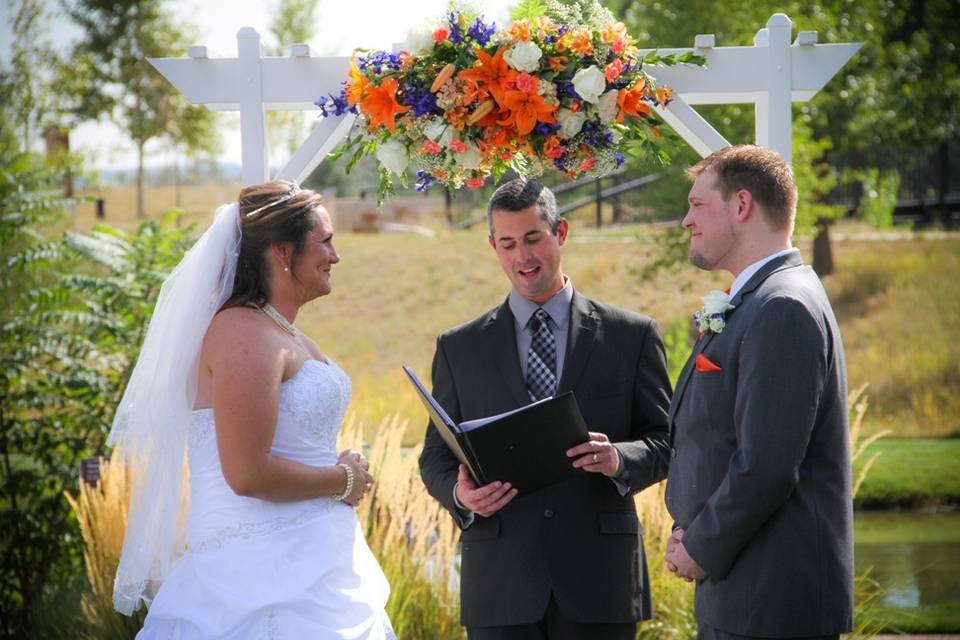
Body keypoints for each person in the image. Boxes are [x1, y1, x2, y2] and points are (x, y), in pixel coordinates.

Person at [108, 180, 395, 639]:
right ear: (283, 253)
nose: (335, 256)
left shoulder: (285, 332)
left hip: (317, 558)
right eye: (325, 241)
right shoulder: (241, 333)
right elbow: (245, 472)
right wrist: (343, 480)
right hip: (255, 572)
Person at [418, 178, 672, 639]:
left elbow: (667, 441)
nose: (523, 257)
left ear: (562, 232)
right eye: (508, 244)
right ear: (493, 246)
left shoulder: (631, 335)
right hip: (500, 585)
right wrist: (461, 497)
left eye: (533, 238)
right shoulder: (459, 347)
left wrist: (619, 459)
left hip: (600, 584)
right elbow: (435, 457)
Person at [664, 145, 853, 639]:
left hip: (772, 604)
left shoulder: (782, 306)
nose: (687, 220)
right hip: (746, 594)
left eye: (697, 204)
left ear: (741, 205)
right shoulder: (762, 297)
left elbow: (767, 465)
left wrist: (699, 547)